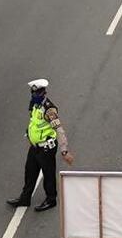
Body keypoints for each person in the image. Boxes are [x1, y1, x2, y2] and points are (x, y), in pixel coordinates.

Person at [8, 79, 74, 212]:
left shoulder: (49, 110)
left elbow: (59, 130)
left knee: (48, 174)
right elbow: (33, 122)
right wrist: (29, 135)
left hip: (46, 148)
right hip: (35, 146)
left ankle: (51, 200)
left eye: (37, 92)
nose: (34, 95)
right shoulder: (35, 105)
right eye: (33, 92)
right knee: (30, 172)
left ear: (44, 92)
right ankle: (25, 198)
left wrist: (64, 151)